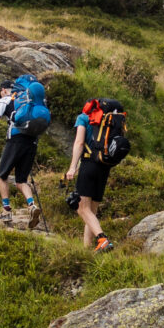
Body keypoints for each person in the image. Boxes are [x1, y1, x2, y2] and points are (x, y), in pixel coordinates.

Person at [0, 72, 47, 228]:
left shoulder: (5, 100)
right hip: (32, 141)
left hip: (15, 140)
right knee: (21, 180)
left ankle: (6, 211)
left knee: (2, 175)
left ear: (3, 90)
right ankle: (32, 206)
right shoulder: (31, 100)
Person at [66, 98, 115, 251]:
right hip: (104, 166)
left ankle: (102, 239)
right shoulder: (110, 120)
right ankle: (87, 248)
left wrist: (72, 167)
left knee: (82, 208)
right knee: (91, 210)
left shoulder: (83, 118)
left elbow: (79, 143)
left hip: (88, 164)